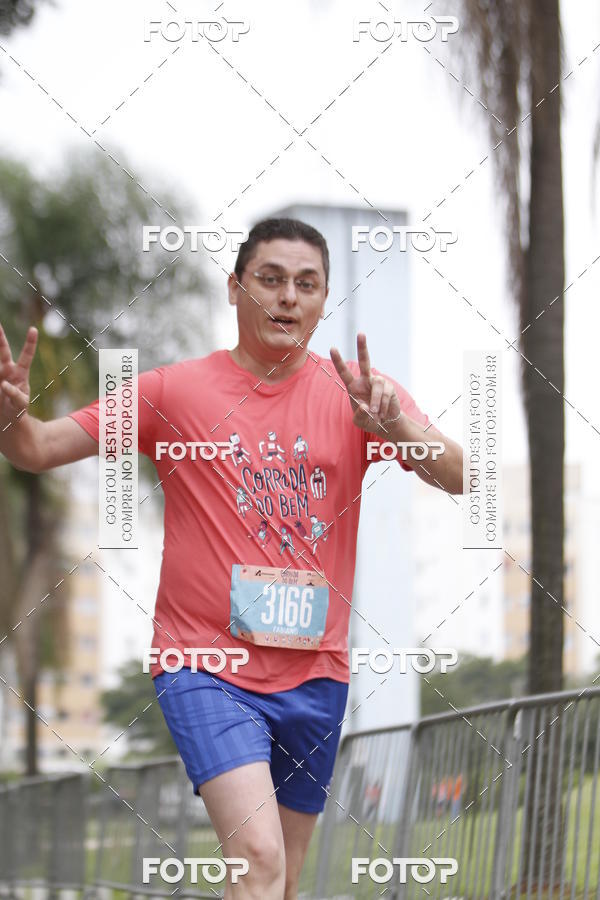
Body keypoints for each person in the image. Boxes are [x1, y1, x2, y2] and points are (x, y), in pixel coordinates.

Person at [0, 217, 464, 900]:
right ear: (234, 288)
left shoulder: (361, 395)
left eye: (306, 285)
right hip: (207, 667)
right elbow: (38, 449)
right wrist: (11, 420)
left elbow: (459, 474)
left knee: (282, 882)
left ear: (324, 298)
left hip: (317, 674)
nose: (287, 298)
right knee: (257, 858)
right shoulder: (174, 392)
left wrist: (395, 425)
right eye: (270, 279)